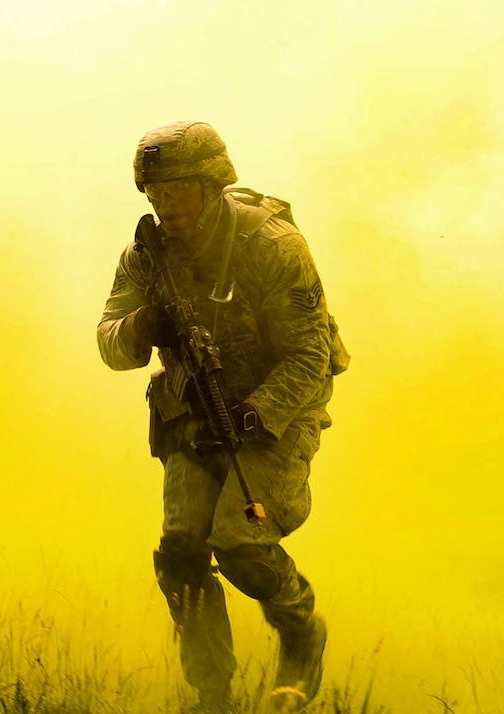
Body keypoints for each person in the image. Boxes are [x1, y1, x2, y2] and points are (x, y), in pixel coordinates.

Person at [96, 121, 348, 712]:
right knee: (181, 550)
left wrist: (255, 417)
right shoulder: (147, 255)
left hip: (275, 412)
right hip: (192, 413)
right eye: (155, 192)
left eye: (179, 186)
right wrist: (143, 327)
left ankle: (299, 630)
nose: (165, 202)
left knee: (240, 543)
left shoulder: (271, 245)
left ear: (213, 184)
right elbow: (109, 340)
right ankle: (211, 693)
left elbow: (310, 353)